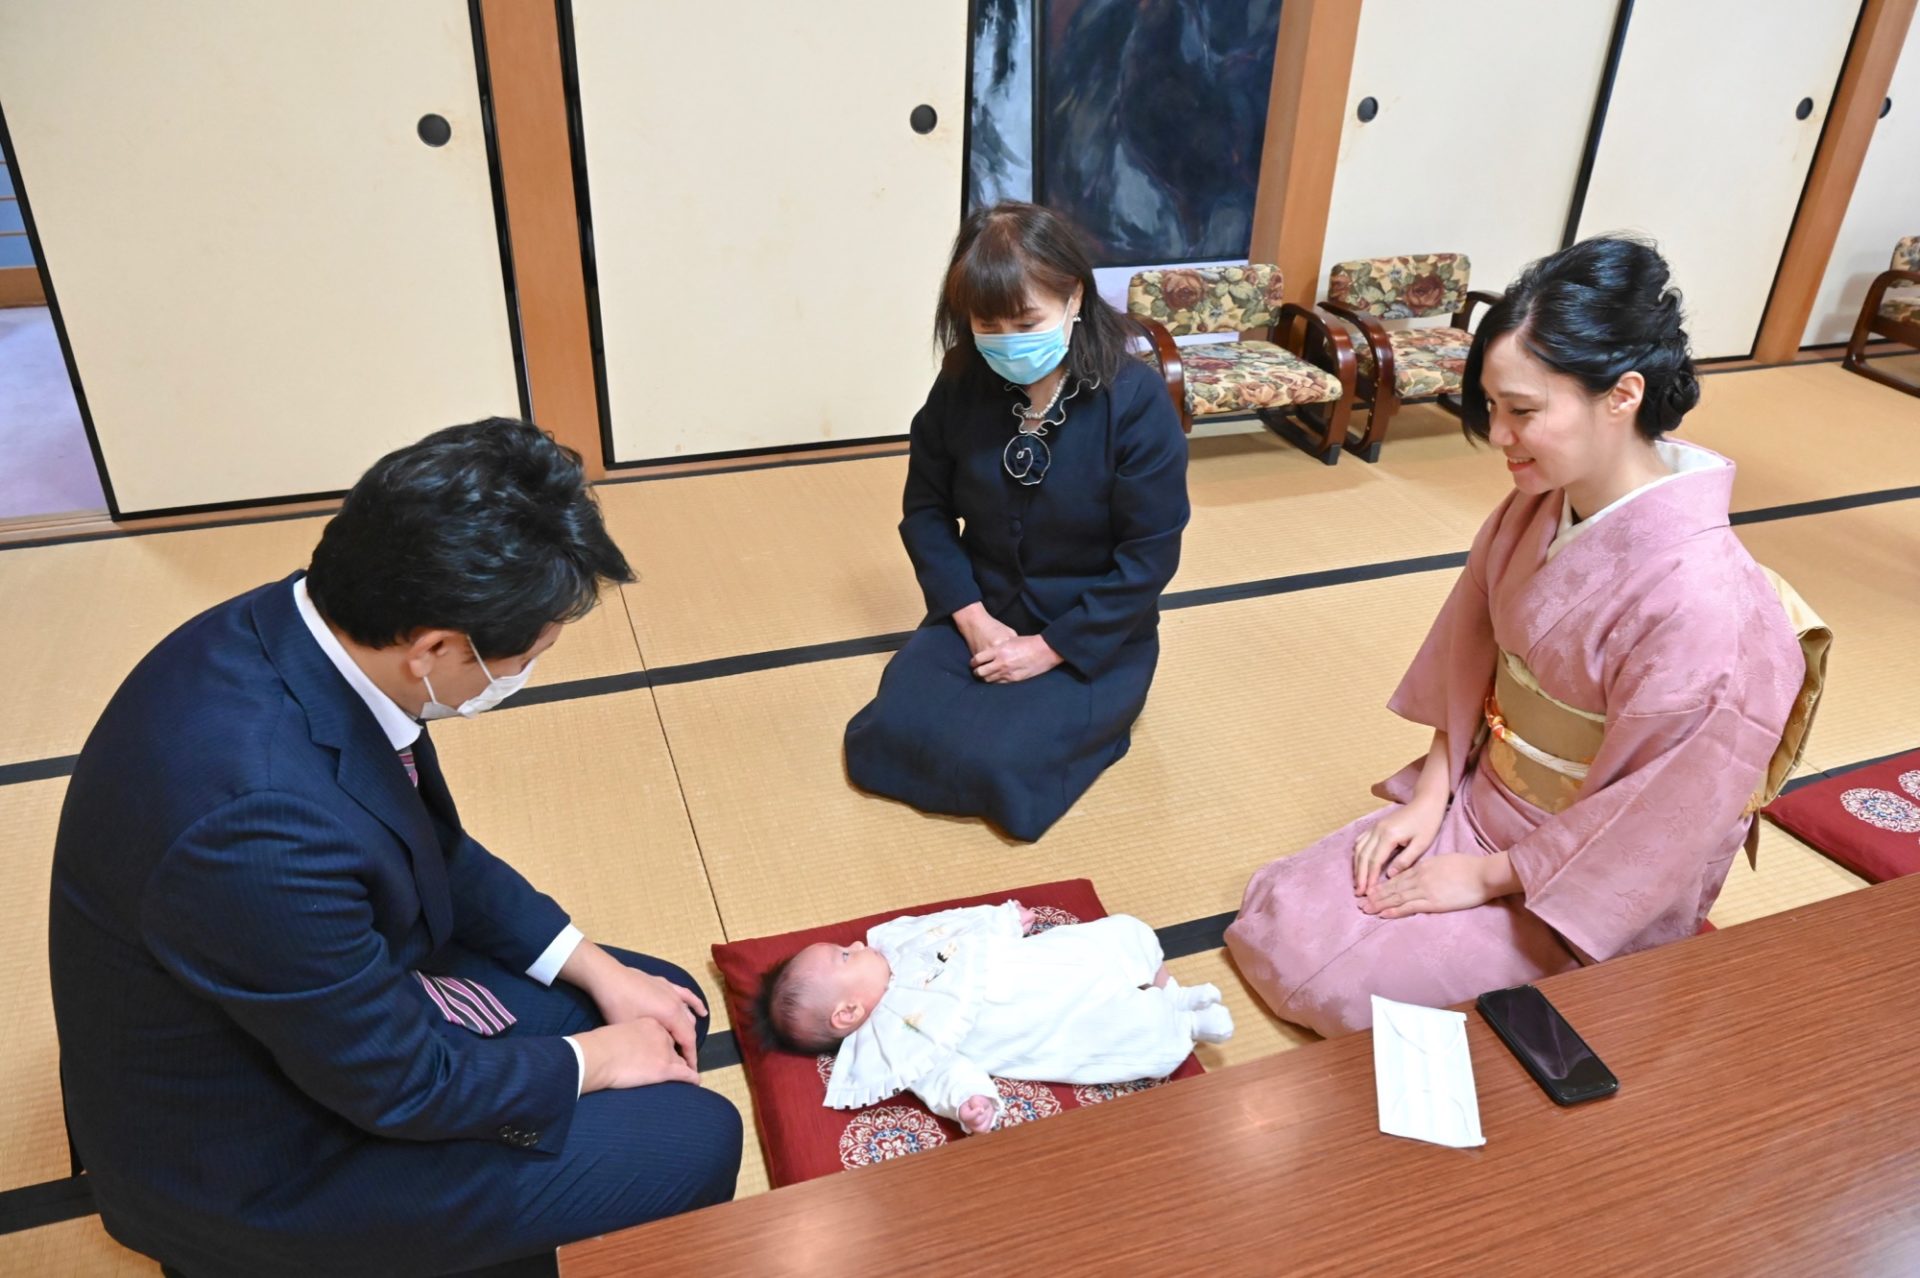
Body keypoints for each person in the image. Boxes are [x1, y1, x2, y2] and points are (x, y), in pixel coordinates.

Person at [49, 420, 743, 1276]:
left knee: (660, 1002)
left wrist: (595, 966)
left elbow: (431, 846)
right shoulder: (255, 826)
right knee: (693, 1133)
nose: (530, 670)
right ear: (438, 651)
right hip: (264, 1155)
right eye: (530, 654)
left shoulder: (301, 632)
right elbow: (402, 1085)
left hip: (311, 1002)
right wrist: (598, 1060)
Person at [1225, 238, 1812, 1037]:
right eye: (1493, 408)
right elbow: (1469, 662)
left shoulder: (1705, 605)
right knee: (1281, 917)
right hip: (1479, 801)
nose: (1499, 437)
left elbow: (1664, 815)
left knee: (1359, 997)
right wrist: (1431, 800)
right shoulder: (1539, 503)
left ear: (1623, 395)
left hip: (1584, 870)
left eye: (1524, 412)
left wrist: (1493, 877)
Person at [843, 201, 1190, 841]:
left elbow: (1149, 557)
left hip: (1093, 633)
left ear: (1074, 298)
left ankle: (1092, 722)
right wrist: (973, 622)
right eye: (987, 323)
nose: (1007, 339)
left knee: (1001, 765)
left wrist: (1049, 649)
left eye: (1026, 320)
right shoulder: (961, 382)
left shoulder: (1133, 401)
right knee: (885, 736)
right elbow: (924, 511)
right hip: (983, 611)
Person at [758, 901, 1232, 1132]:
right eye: (845, 956)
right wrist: (970, 1102)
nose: (857, 944)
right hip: (1042, 1018)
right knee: (1115, 1031)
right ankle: (1184, 1021)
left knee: (1117, 937)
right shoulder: (897, 1041)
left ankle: (1174, 988)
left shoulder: (894, 947)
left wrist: (1002, 922)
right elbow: (943, 1074)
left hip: (1038, 963)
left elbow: (950, 925)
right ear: (848, 1013)